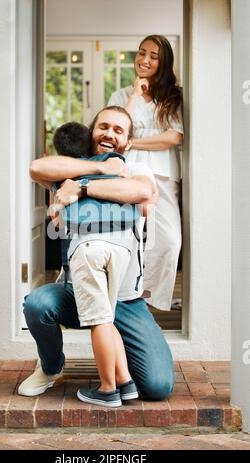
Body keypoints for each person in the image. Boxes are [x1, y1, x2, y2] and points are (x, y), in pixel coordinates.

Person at [18, 106, 174, 403]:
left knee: (157, 386)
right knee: (37, 305)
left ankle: (121, 362)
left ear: (127, 143)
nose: (109, 134)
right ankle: (51, 367)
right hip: (76, 290)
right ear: (92, 133)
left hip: (126, 299)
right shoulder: (75, 168)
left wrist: (83, 188)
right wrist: (98, 170)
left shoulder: (136, 169)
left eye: (118, 130)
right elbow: (37, 168)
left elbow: (141, 194)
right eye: (103, 127)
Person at [50, 120, 141, 407]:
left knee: (98, 320)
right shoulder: (116, 163)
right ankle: (125, 382)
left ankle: (107, 389)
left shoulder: (67, 174)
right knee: (107, 317)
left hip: (88, 247)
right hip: (120, 247)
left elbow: (58, 221)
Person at [108, 35, 184, 311]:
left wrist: (135, 142)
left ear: (162, 63)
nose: (145, 60)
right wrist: (135, 95)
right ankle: (128, 297)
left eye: (153, 56)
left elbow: (173, 137)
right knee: (128, 239)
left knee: (169, 241)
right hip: (128, 175)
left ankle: (153, 299)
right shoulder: (121, 95)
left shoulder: (174, 96)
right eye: (141, 53)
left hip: (162, 176)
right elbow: (119, 127)